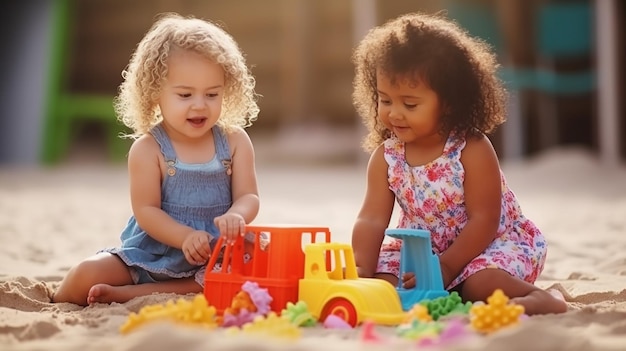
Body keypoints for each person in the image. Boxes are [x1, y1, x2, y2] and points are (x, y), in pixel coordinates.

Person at [350, 12, 567, 315]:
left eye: (410, 104)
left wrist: (448, 267)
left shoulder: (471, 149)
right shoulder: (387, 157)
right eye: (386, 100)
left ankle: (544, 298)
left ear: (449, 101)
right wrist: (362, 268)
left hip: (489, 246)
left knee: (480, 285)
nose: (395, 113)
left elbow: (485, 220)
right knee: (385, 285)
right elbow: (371, 219)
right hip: (422, 251)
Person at [52, 13, 261, 306]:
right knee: (85, 274)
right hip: (152, 253)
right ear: (154, 93)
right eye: (185, 94)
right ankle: (58, 297)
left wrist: (238, 214)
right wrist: (185, 236)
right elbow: (146, 211)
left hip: (214, 255)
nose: (200, 104)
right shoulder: (148, 149)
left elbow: (248, 195)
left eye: (212, 94)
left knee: (234, 278)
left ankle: (129, 296)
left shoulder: (234, 141)